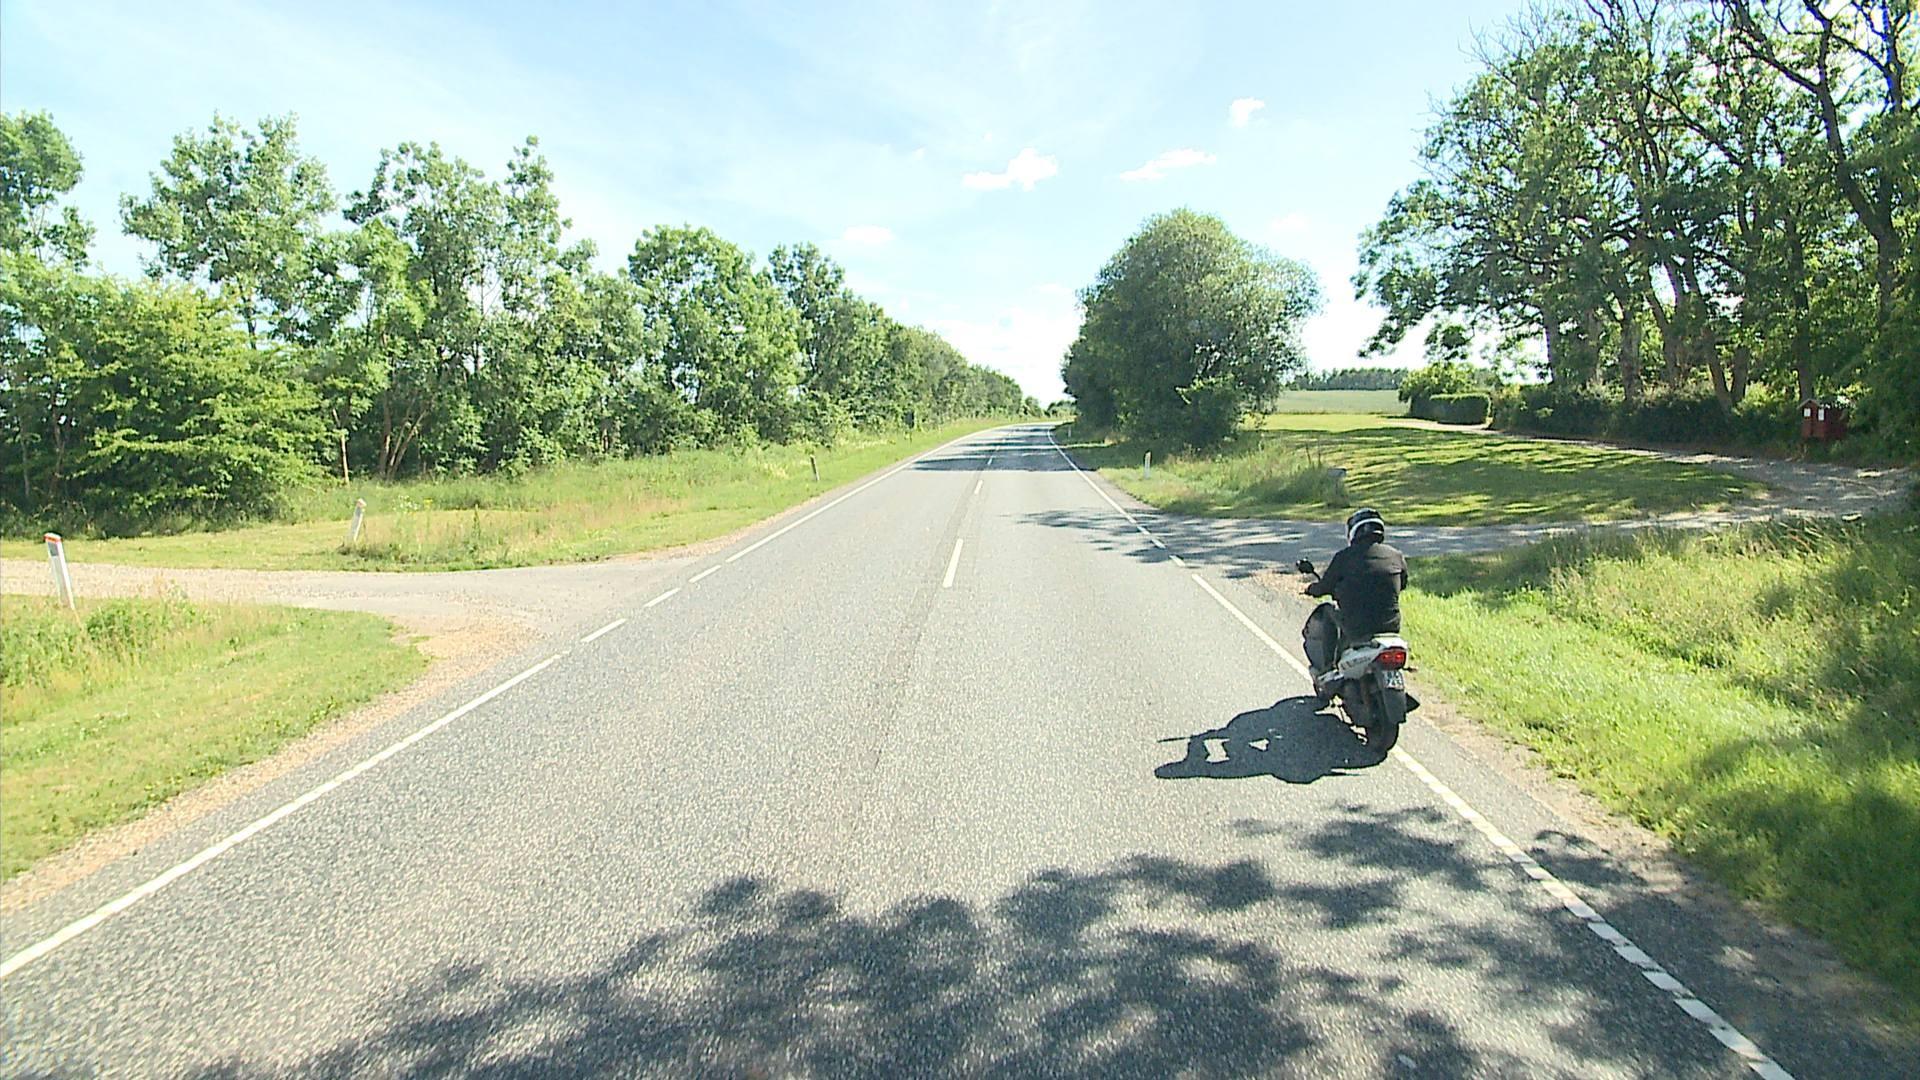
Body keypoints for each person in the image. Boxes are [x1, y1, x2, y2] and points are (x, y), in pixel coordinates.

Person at [1301, 508, 1408, 690]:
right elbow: (1403, 584)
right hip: (1391, 626)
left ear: (1353, 532)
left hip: (1357, 627)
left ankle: (1328, 667)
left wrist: (1311, 589)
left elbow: (1324, 587)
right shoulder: (1396, 556)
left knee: (1327, 611)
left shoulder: (1344, 557)